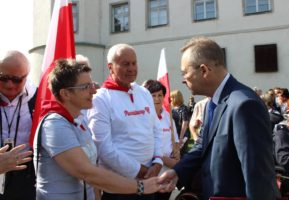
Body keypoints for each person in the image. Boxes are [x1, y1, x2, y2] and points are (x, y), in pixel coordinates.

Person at [159, 36, 280, 199]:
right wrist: (177, 171)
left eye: (185, 72)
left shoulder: (244, 105)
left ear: (204, 70)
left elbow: (258, 174)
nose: (183, 79)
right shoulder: (212, 102)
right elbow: (202, 145)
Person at [34, 59, 163, 200]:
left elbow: (93, 175)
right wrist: (140, 187)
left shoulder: (80, 120)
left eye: (92, 85)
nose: (94, 91)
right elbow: (89, 173)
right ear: (65, 94)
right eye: (85, 87)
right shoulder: (55, 125)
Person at [87, 44, 163, 200]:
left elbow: (156, 130)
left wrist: (157, 162)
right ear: (111, 67)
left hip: (149, 183)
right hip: (119, 188)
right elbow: (103, 148)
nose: (132, 68)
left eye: (134, 63)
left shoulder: (144, 92)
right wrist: (141, 171)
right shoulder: (100, 99)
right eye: (125, 64)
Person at [0, 50, 37, 200]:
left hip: (28, 180)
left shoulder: (39, 99)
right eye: (3, 78)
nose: (9, 85)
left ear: (26, 76)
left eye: (16, 80)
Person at [142, 79, 180, 200]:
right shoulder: (143, 117)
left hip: (168, 173)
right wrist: (168, 161)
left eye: (160, 95)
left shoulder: (168, 116)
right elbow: (147, 146)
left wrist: (177, 152)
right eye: (153, 96)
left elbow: (175, 141)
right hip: (151, 172)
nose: (157, 99)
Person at [170, 90, 190, 155]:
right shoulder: (173, 109)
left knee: (181, 153)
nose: (170, 99)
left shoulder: (184, 109)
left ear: (176, 98)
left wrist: (181, 137)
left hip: (182, 135)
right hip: (175, 135)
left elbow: (185, 124)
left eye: (171, 97)